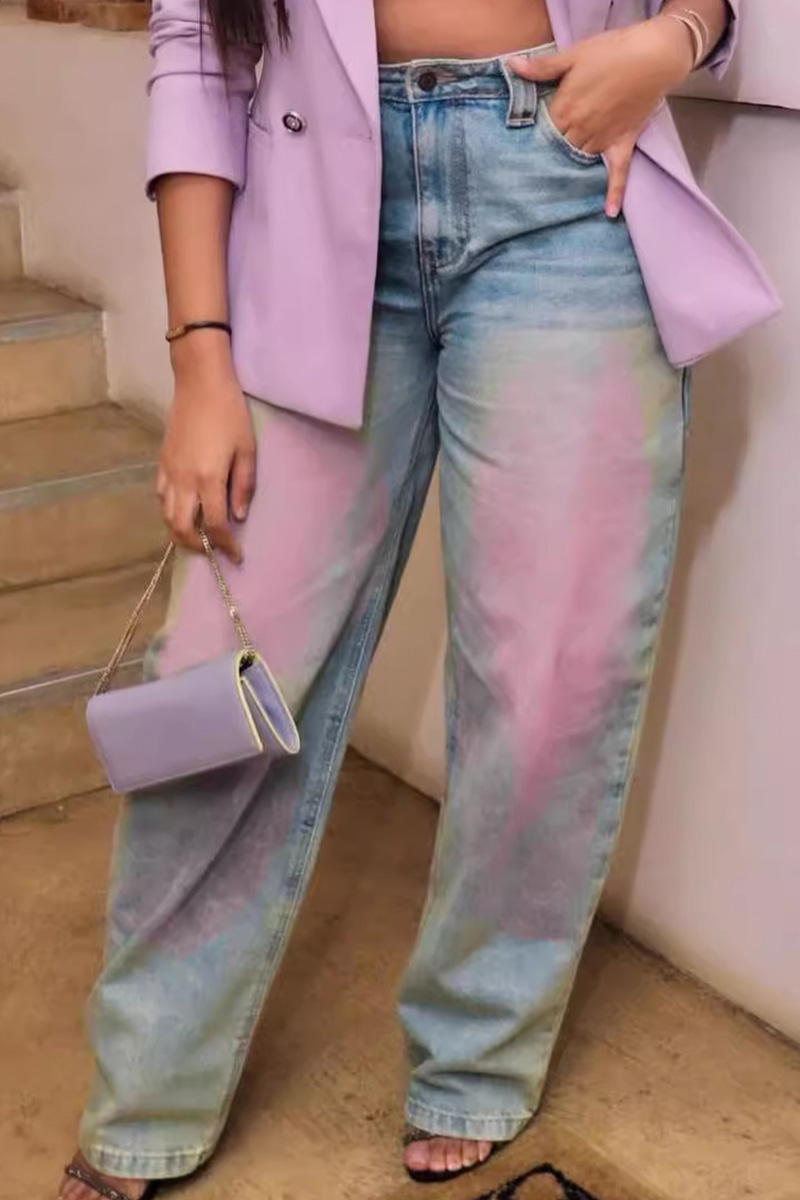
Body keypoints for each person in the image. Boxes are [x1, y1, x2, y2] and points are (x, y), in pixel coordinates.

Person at [59, 0, 778, 1197]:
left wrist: (672, 41)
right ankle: (148, 1088)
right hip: (309, 204)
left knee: (550, 687)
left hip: (562, 192)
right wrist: (200, 360)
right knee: (218, 684)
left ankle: (475, 1054)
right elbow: (194, 45)